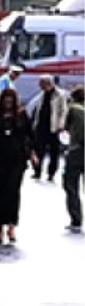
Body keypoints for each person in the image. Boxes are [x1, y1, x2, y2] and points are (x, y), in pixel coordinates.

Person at [0, 88, 31, 245]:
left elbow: (29, 135)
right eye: (6, 99)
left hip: (16, 159)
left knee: (12, 191)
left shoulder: (21, 115)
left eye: (11, 99)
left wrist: (30, 153)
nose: (8, 102)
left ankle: (11, 225)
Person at [27, 75, 67, 181]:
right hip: (41, 126)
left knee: (54, 151)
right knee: (38, 150)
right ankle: (37, 170)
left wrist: (61, 124)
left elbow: (63, 110)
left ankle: (51, 173)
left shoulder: (59, 95)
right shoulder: (42, 94)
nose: (40, 85)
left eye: (41, 83)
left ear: (48, 83)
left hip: (53, 126)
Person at [62, 86, 85, 233]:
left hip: (76, 150)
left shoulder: (73, 109)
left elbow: (65, 127)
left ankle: (76, 219)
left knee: (71, 185)